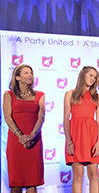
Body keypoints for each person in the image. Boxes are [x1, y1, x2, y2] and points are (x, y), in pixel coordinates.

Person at [3, 64, 45, 193]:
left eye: (31, 73)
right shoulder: (8, 95)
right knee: (16, 183)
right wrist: (20, 135)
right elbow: (7, 117)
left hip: (34, 140)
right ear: (17, 77)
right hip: (16, 141)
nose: (30, 75)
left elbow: (41, 117)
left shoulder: (40, 95)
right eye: (26, 73)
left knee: (32, 183)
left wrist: (31, 135)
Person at [63, 66, 99, 193]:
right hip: (76, 137)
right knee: (78, 176)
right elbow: (65, 119)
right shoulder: (70, 94)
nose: (93, 79)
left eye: (95, 77)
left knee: (94, 176)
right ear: (83, 75)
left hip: (92, 137)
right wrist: (69, 142)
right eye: (90, 75)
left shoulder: (98, 97)